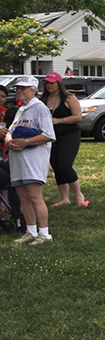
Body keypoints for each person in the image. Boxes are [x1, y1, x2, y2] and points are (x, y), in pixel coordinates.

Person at [3, 76, 56, 245]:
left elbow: (48, 135)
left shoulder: (40, 108)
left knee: (34, 197)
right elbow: (10, 130)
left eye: (23, 88)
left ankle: (44, 233)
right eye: (18, 88)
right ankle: (31, 231)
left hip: (33, 160)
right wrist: (8, 141)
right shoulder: (21, 110)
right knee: (23, 196)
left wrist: (26, 142)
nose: (19, 91)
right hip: (18, 159)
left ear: (34, 91)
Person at [41, 71, 87, 207]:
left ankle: (79, 195)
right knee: (55, 165)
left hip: (69, 135)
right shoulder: (43, 99)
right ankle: (65, 198)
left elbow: (78, 117)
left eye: (52, 82)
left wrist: (58, 120)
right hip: (51, 137)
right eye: (47, 83)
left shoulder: (68, 98)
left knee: (64, 165)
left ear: (59, 83)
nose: (49, 85)